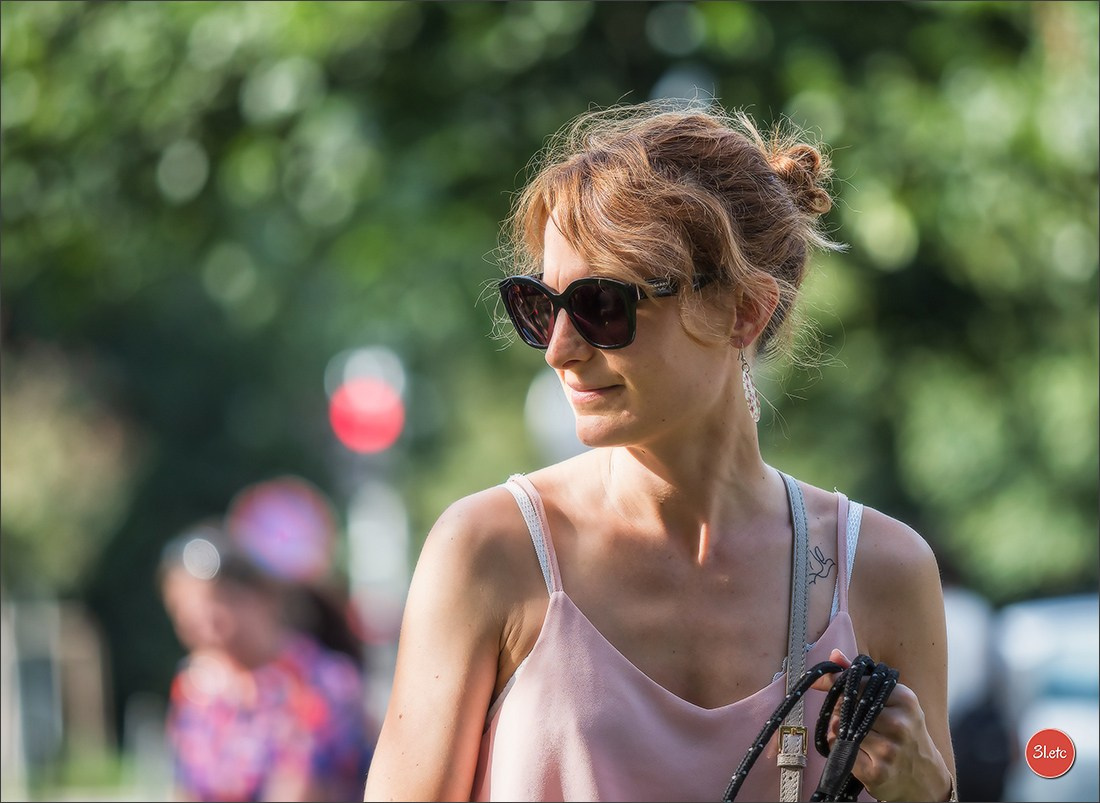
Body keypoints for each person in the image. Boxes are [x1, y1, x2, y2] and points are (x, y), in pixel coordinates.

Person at [363, 100, 956, 802]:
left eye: (602, 305)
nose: (559, 348)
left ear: (744, 311)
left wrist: (929, 793)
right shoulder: (491, 552)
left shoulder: (882, 572)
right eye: (540, 305)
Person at [159, 521, 374, 802]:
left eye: (216, 601)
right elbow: (184, 787)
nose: (199, 619)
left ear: (264, 598)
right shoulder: (195, 688)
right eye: (181, 607)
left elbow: (301, 788)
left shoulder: (319, 681)